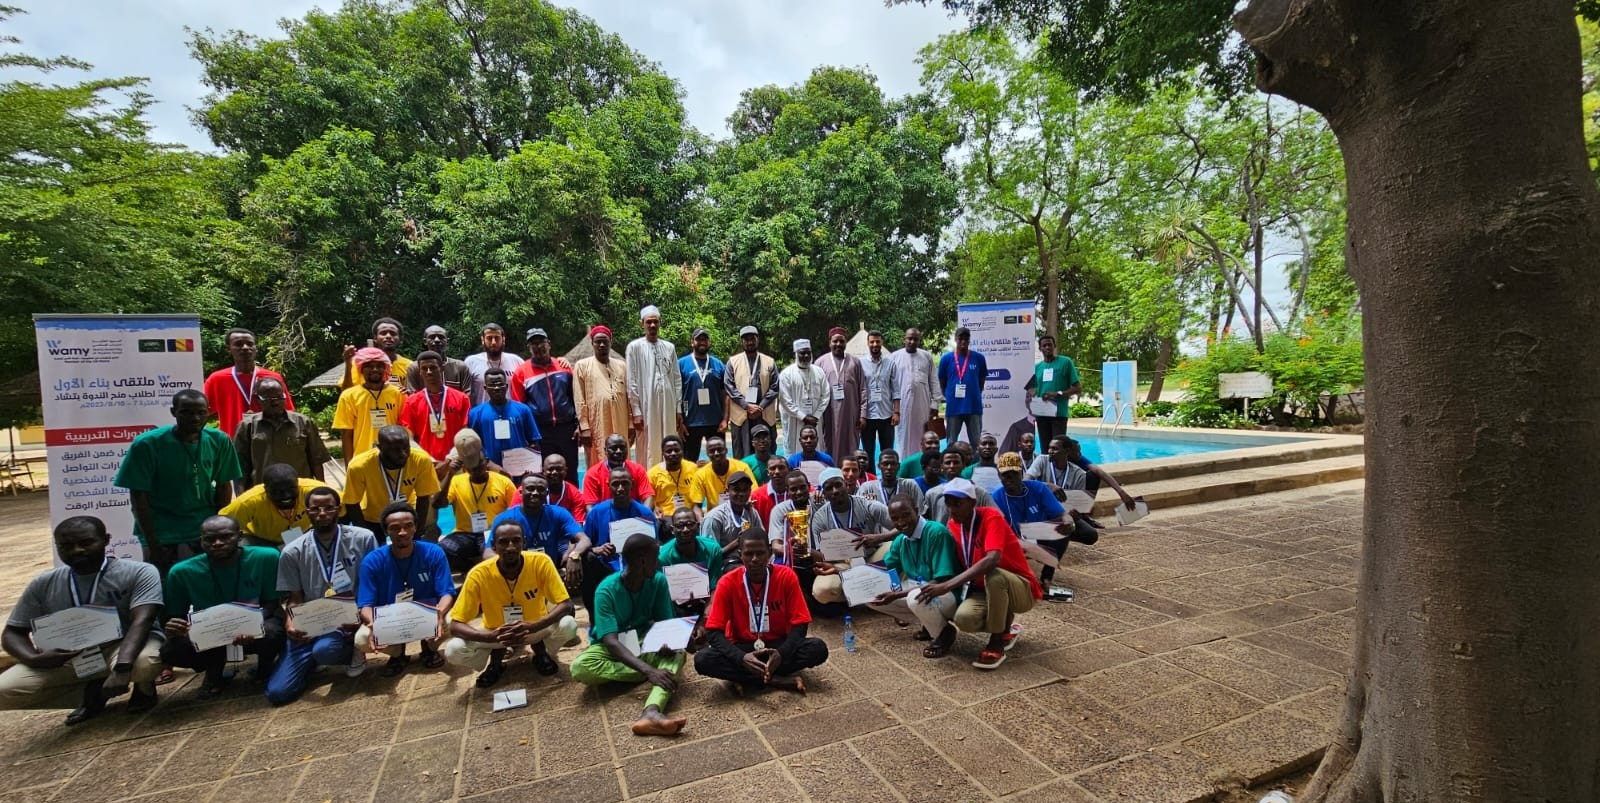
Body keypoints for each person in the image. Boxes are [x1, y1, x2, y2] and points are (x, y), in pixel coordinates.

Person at [0, 517, 163, 723]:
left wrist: (123, 666)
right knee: (4, 690)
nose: (76, 550)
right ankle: (90, 694)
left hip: (121, 647)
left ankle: (143, 687)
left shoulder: (139, 571)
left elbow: (143, 619)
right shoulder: (43, 583)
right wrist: (34, 658)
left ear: (106, 540)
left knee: (145, 664)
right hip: (71, 655)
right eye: (66, 546)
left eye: (86, 543)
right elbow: (12, 632)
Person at [264, 488, 378, 705]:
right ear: (307, 511)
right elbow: (295, 597)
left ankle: (350, 650)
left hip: (349, 619)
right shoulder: (292, 551)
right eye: (315, 509)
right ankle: (309, 663)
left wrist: (363, 615)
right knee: (277, 694)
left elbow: (372, 584)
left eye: (328, 507)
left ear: (339, 509)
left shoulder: (363, 538)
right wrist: (290, 622)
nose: (322, 513)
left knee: (326, 650)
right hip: (312, 622)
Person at [115, 389, 242, 576]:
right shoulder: (147, 444)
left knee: (209, 583)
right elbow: (138, 496)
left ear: (209, 411)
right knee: (166, 587)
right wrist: (153, 543)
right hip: (163, 531)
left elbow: (224, 487)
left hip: (203, 529)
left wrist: (217, 528)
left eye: (201, 412)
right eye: (187, 412)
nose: (195, 418)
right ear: (174, 412)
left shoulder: (219, 440)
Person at [571, 533, 688, 735]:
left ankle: (652, 711)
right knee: (580, 667)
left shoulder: (658, 581)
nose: (658, 561)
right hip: (609, 648)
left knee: (678, 653)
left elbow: (664, 624)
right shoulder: (606, 590)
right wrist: (648, 671)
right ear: (642, 561)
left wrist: (667, 642)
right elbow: (610, 641)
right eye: (655, 557)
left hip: (644, 641)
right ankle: (652, 672)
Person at [916, 479, 1040, 670]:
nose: (951, 508)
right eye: (948, 502)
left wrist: (947, 587)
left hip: (1021, 588)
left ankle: (997, 640)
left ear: (973, 503)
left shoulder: (991, 517)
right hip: (982, 589)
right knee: (963, 620)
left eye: (957, 503)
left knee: (995, 575)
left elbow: (993, 560)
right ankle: (1005, 626)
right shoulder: (953, 525)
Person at [161, 516, 285, 697]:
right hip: (211, 631)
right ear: (201, 541)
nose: (217, 543)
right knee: (172, 649)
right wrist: (175, 627)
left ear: (239, 536)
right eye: (209, 539)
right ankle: (213, 671)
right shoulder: (181, 572)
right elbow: (177, 615)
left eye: (226, 537)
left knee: (273, 631)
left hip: (256, 622)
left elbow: (272, 602)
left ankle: (265, 667)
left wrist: (246, 625)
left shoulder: (267, 557)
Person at [443, 522, 578, 685]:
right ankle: (494, 661)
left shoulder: (541, 562)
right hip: (496, 633)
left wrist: (534, 626)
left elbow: (566, 604)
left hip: (535, 627)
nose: (511, 547)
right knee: (453, 650)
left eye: (516, 540)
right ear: (493, 546)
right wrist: (489, 637)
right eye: (503, 542)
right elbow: (456, 624)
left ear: (524, 542)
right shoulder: (478, 574)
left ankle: (542, 651)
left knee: (568, 625)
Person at [694, 529, 828, 693]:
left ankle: (750, 678)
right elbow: (714, 632)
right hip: (743, 648)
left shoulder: (786, 576)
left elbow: (800, 625)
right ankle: (776, 680)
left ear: (770, 553)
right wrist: (741, 658)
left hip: (777, 645)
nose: (755, 560)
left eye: (760, 553)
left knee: (817, 648)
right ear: (740, 555)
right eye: (749, 554)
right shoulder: (727, 582)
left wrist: (781, 654)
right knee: (703, 659)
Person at [356, 502, 454, 676]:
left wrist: (439, 613)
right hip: (391, 620)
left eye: (408, 526)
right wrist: (373, 624)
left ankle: (429, 647)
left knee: (454, 620)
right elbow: (365, 604)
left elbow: (446, 593)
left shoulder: (433, 552)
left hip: (428, 615)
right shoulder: (372, 561)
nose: (403, 532)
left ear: (416, 527)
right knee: (361, 638)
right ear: (386, 532)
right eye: (395, 528)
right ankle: (397, 653)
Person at [861, 495, 963, 652]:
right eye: (895, 519)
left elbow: (942, 579)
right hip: (917, 589)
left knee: (915, 598)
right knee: (869, 594)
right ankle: (929, 624)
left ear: (916, 511)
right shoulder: (901, 539)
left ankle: (944, 633)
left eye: (906, 515)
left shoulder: (936, 532)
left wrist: (897, 595)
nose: (901, 522)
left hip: (945, 592)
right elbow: (885, 569)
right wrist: (842, 572)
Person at [993, 451, 1083, 599]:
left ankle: (1047, 576)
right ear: (999, 476)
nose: (1009, 479)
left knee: (1063, 531)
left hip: (1036, 533)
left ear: (1021, 472)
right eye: (1005, 475)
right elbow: (999, 532)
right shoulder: (996, 497)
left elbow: (1061, 514)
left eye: (1013, 474)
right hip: (1012, 540)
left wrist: (1068, 521)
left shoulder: (1038, 488)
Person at [807, 469, 894, 607]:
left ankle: (893, 594)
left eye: (838, 485)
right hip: (843, 564)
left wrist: (879, 537)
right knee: (822, 590)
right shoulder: (820, 518)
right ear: (824, 494)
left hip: (873, 557)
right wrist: (807, 550)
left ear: (846, 485)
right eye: (829, 488)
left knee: (897, 546)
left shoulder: (867, 505)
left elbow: (901, 527)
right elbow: (822, 555)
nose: (835, 491)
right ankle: (858, 597)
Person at [435, 431, 517, 576]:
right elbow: (437, 503)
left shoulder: (503, 482)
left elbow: (515, 512)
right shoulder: (456, 481)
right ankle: (473, 568)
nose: (476, 471)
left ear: (486, 462)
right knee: (441, 551)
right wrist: (450, 473)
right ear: (465, 468)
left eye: (479, 466)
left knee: (496, 555)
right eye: (472, 468)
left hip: (492, 532)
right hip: (465, 533)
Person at [578, 467, 657, 617]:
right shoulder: (596, 513)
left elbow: (654, 546)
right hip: (606, 566)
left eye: (624, 483)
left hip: (637, 568)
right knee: (587, 559)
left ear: (632, 485)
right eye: (615, 484)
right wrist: (598, 549)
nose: (620, 488)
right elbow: (586, 544)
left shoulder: (645, 513)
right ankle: (595, 617)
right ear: (608, 485)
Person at [341, 426, 440, 540]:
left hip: (406, 514)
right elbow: (352, 503)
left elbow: (423, 498)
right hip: (373, 517)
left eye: (406, 448)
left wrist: (417, 531)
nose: (403, 454)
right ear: (380, 448)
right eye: (396, 450)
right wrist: (365, 535)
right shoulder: (359, 466)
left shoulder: (421, 460)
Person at [232, 378, 328, 488]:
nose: (275, 402)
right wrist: (241, 493)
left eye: (279, 397)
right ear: (257, 399)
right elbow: (240, 466)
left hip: (299, 489)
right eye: (268, 398)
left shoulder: (303, 422)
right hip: (263, 491)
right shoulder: (247, 426)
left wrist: (322, 488)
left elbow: (316, 460)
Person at [509, 327, 581, 471]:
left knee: (570, 469)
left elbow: (576, 398)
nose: (538, 346)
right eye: (533, 343)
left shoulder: (563, 367)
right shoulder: (521, 372)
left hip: (566, 429)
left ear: (549, 343)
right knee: (544, 472)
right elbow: (519, 407)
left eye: (541, 342)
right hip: (540, 432)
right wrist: (526, 434)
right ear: (529, 347)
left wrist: (578, 424)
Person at [1026, 435, 1139, 525]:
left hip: (1065, 505)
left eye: (1080, 451)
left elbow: (1100, 472)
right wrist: (1048, 486)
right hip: (1043, 503)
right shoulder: (1044, 460)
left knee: (1093, 476)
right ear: (1069, 451)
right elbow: (1026, 481)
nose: (1079, 454)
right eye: (1077, 451)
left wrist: (1083, 505)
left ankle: (1083, 515)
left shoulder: (1078, 466)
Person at [204, 328, 293, 439]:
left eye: (250, 344)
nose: (245, 348)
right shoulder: (217, 379)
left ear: (256, 348)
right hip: (233, 444)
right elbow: (201, 412)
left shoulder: (273, 378)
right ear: (229, 349)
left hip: (269, 443)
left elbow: (288, 413)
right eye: (238, 344)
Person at [626, 306, 681, 468]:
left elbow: (676, 379)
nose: (652, 325)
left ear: (660, 323)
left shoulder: (669, 347)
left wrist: (678, 409)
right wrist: (636, 411)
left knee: (669, 438)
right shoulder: (634, 347)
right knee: (648, 442)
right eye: (648, 322)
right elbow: (631, 379)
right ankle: (649, 483)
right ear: (642, 324)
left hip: (668, 404)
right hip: (646, 405)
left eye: (655, 322)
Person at [219, 463, 320, 548]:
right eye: (277, 491)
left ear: (298, 484)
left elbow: (336, 511)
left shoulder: (315, 491)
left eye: (291, 489)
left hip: (304, 533)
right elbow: (219, 526)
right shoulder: (249, 501)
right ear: (265, 489)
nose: (286, 496)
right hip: (258, 538)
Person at [572, 324, 632, 468]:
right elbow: (579, 398)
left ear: (610, 342)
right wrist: (584, 427)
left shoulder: (622, 366)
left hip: (621, 420)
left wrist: (630, 423)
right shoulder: (582, 365)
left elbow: (629, 395)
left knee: (621, 453)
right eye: (598, 341)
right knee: (597, 457)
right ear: (592, 343)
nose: (602, 344)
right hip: (596, 422)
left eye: (605, 341)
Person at [491, 475, 584, 567]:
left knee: (587, 557)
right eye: (530, 488)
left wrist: (574, 556)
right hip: (516, 571)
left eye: (540, 489)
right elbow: (488, 551)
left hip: (550, 570)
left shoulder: (558, 513)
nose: (535, 493)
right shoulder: (504, 518)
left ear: (547, 493)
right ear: (520, 492)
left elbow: (584, 540)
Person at [332, 347, 405, 462]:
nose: (375, 369)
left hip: (393, 459)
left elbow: (404, 429)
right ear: (361, 369)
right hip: (362, 460)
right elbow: (346, 435)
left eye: (379, 366)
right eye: (369, 366)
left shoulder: (398, 394)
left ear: (385, 368)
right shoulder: (349, 396)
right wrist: (349, 466)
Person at [465, 367, 541, 475]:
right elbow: (473, 445)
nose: (496, 388)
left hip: (519, 471)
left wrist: (531, 465)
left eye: (500, 384)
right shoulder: (475, 413)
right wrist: (488, 463)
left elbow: (534, 441)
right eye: (492, 384)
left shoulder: (523, 410)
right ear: (485, 388)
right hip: (490, 471)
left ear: (506, 386)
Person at [398, 350, 472, 462]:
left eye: (433, 367)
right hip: (425, 463)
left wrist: (451, 458)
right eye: (424, 368)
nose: (428, 372)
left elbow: (465, 432)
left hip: (455, 462)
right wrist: (429, 460)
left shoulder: (461, 398)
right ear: (419, 372)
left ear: (441, 368)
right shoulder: (411, 402)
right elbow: (408, 437)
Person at [724, 325, 780, 459]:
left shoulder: (769, 362)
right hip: (742, 416)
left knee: (767, 450)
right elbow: (729, 386)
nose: (749, 342)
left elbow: (775, 387)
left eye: (752, 338)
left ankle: (767, 479)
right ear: (741, 341)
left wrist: (760, 407)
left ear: (757, 340)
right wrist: (747, 406)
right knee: (742, 452)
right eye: (746, 339)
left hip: (764, 414)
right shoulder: (733, 362)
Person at [815, 326, 866, 463]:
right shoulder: (820, 363)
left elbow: (863, 389)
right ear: (829, 343)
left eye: (841, 341)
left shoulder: (855, 362)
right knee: (828, 443)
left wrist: (862, 415)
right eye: (835, 341)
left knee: (850, 444)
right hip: (828, 414)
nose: (838, 344)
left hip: (851, 415)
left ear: (846, 343)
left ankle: (850, 473)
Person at [659, 508, 726, 611]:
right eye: (680, 526)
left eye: (690, 524)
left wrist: (706, 617)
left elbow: (714, 588)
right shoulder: (663, 556)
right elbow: (664, 595)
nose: (685, 529)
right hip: (675, 606)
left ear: (698, 526)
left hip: (706, 601)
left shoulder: (713, 549)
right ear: (672, 530)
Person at [889, 328, 940, 458]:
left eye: (915, 339)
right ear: (904, 339)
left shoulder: (926, 356)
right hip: (902, 406)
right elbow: (889, 382)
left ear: (919, 341)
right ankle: (903, 464)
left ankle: (922, 463)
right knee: (903, 435)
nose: (912, 341)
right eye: (909, 338)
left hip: (922, 404)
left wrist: (935, 404)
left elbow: (933, 380)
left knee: (922, 434)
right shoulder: (894, 357)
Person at [678, 327, 728, 461]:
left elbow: (725, 393)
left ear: (709, 342)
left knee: (719, 459)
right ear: (692, 342)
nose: (702, 342)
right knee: (689, 461)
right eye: (698, 339)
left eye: (705, 339)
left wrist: (725, 419)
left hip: (715, 422)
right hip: (690, 422)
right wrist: (680, 420)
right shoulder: (681, 364)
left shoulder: (718, 364)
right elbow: (676, 393)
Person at [1026, 334, 1082, 449]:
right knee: (1045, 450)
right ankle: (1047, 467)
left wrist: (1058, 393)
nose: (1047, 347)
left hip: (1059, 414)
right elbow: (1031, 390)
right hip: (1042, 414)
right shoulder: (1037, 367)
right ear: (1040, 348)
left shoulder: (1065, 362)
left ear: (1054, 346)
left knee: (1058, 448)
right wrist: (1032, 394)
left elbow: (1077, 388)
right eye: (1044, 345)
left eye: (1050, 345)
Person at [699, 471, 765, 567]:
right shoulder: (714, 518)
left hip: (749, 560)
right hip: (723, 565)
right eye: (736, 490)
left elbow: (762, 538)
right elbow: (709, 556)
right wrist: (738, 542)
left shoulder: (751, 512)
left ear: (750, 491)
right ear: (727, 491)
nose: (741, 494)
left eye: (745, 490)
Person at [778, 339, 830, 456]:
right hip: (795, 421)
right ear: (796, 354)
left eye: (808, 352)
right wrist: (803, 417)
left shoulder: (819, 372)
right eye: (802, 353)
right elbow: (785, 400)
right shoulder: (786, 374)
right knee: (794, 452)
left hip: (815, 421)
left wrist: (815, 416)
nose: (806, 355)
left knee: (816, 450)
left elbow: (825, 395)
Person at [938, 327, 988, 447]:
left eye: (966, 339)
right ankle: (951, 465)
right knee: (951, 443)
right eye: (960, 338)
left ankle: (975, 466)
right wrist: (949, 396)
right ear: (955, 339)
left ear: (970, 340)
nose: (963, 341)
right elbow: (942, 382)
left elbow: (981, 382)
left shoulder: (979, 358)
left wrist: (973, 394)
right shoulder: (946, 359)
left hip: (973, 407)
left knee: (976, 443)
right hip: (954, 407)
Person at [858, 330, 901, 468]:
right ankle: (870, 480)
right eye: (872, 342)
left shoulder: (890, 364)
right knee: (868, 452)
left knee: (887, 451)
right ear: (868, 343)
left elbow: (896, 390)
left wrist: (896, 412)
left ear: (882, 342)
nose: (875, 344)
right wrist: (861, 415)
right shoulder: (860, 363)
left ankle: (887, 478)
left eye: (877, 341)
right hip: (868, 416)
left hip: (886, 415)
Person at [924, 449, 997, 524]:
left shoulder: (979, 492)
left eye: (956, 462)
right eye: (948, 463)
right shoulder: (932, 494)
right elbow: (926, 523)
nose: (952, 466)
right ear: (941, 467)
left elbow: (996, 517)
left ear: (964, 466)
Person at [583, 433, 655, 508]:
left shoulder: (638, 470)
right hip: (605, 517)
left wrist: (645, 516)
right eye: (614, 448)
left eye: (622, 448)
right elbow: (590, 506)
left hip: (633, 517)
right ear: (605, 451)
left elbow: (648, 497)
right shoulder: (593, 474)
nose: (618, 451)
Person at [340, 317, 411, 392]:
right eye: (383, 333)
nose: (388, 336)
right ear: (375, 338)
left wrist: (409, 393)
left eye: (393, 333)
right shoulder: (360, 363)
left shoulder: (410, 366)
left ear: (401, 340)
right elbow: (345, 391)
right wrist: (348, 363)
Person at [463, 323, 525, 405]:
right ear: (482, 340)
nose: (493, 342)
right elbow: (465, 394)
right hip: (482, 415)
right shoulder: (471, 362)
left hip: (512, 415)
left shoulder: (516, 361)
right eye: (489, 338)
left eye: (497, 338)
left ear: (503, 339)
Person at [687, 436, 755, 510]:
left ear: (726, 450)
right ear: (707, 453)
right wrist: (701, 520)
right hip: (715, 516)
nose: (716, 453)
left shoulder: (742, 467)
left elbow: (754, 493)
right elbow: (696, 505)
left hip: (741, 510)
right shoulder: (700, 475)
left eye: (719, 450)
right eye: (712, 451)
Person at [403, 326, 473, 394]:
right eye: (432, 337)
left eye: (441, 337)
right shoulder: (415, 368)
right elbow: (412, 395)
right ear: (425, 341)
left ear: (447, 341)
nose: (437, 340)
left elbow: (467, 395)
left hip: (454, 406)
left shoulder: (460, 367)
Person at [857, 449, 925, 512]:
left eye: (893, 464)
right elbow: (858, 513)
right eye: (885, 464)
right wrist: (866, 504)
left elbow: (920, 512)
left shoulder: (910, 485)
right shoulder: (867, 488)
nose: (889, 467)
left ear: (898, 466)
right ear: (879, 466)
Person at [646, 435, 696, 518]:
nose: (673, 453)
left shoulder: (693, 468)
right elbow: (649, 500)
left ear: (682, 451)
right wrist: (654, 508)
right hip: (666, 516)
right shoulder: (652, 474)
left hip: (689, 513)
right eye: (669, 451)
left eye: (676, 450)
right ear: (663, 453)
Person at [542, 454, 589, 524]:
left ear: (566, 471)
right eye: (550, 469)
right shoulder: (530, 491)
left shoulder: (575, 494)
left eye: (559, 469)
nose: (554, 472)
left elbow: (577, 526)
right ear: (543, 471)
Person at [748, 455, 790, 526]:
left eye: (781, 468)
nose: (777, 472)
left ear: (789, 470)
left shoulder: (798, 491)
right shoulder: (756, 496)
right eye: (773, 468)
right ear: (767, 472)